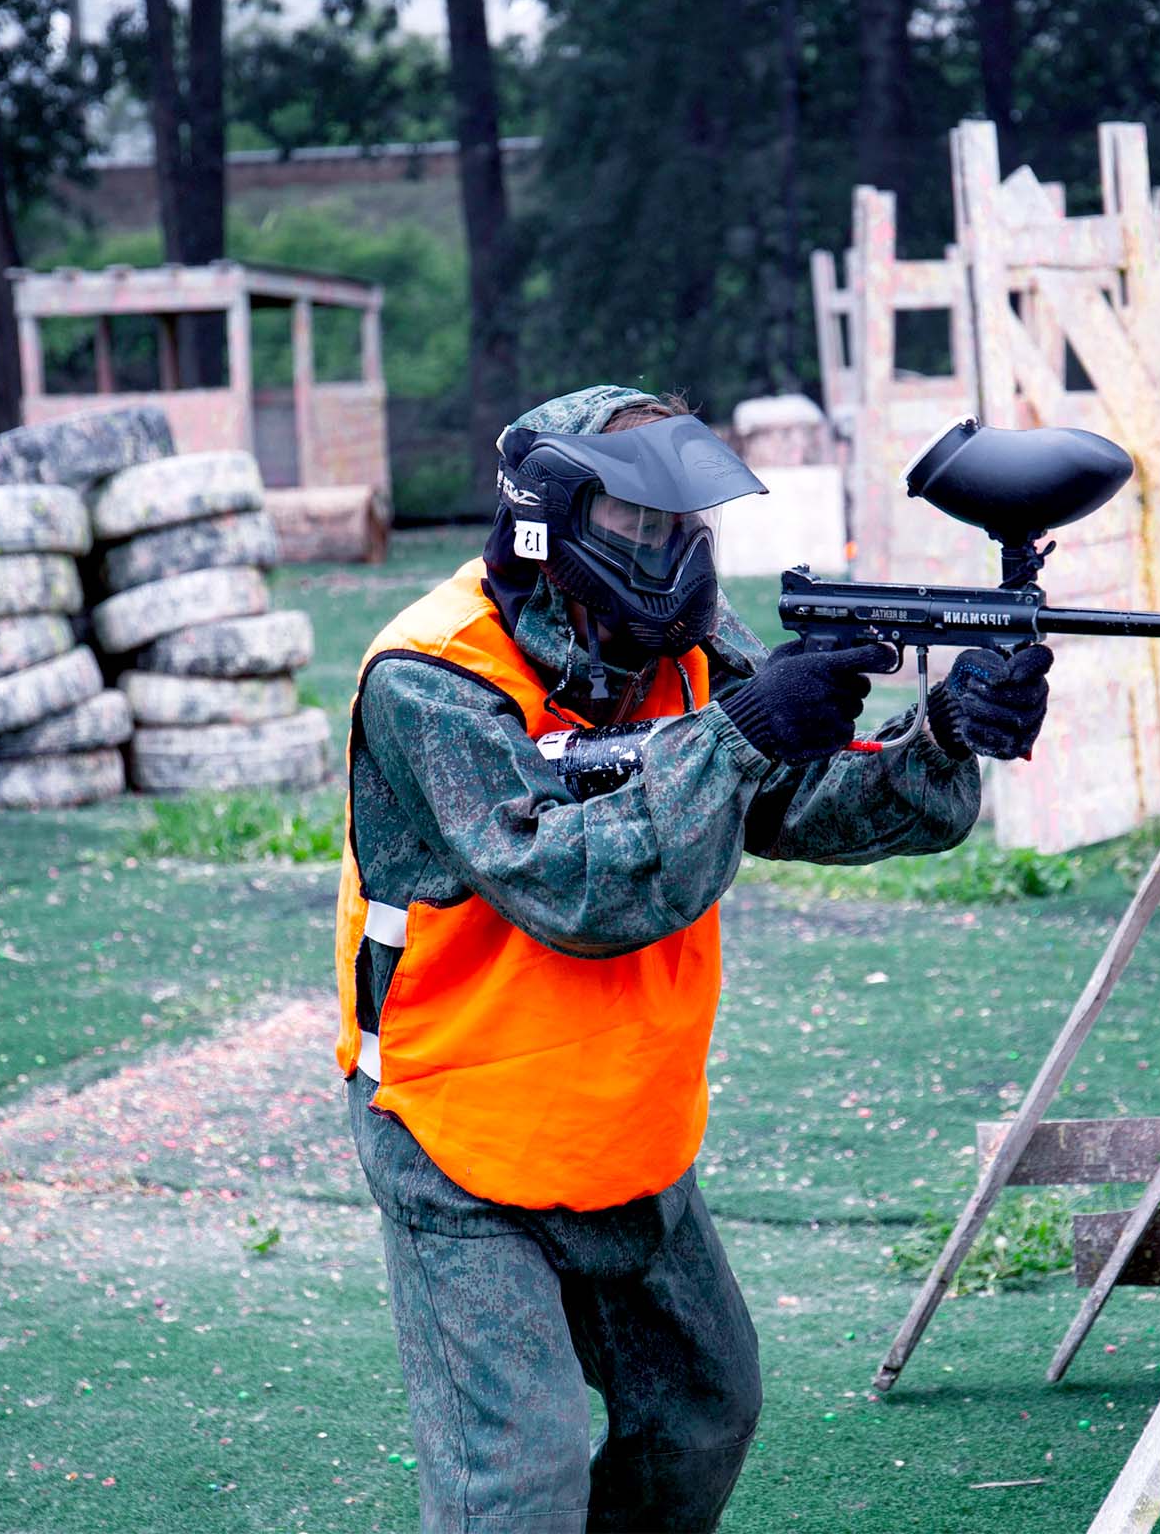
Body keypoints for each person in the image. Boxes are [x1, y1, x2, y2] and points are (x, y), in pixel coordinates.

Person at [333, 385, 1053, 1532]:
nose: (671, 555)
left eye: (681, 527)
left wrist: (946, 732)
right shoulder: (432, 678)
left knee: (702, 1413)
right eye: (639, 528)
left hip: (625, 1118)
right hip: (457, 1132)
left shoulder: (684, 645)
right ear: (551, 521)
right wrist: (744, 730)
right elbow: (576, 886)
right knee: (513, 1487)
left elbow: (800, 800)